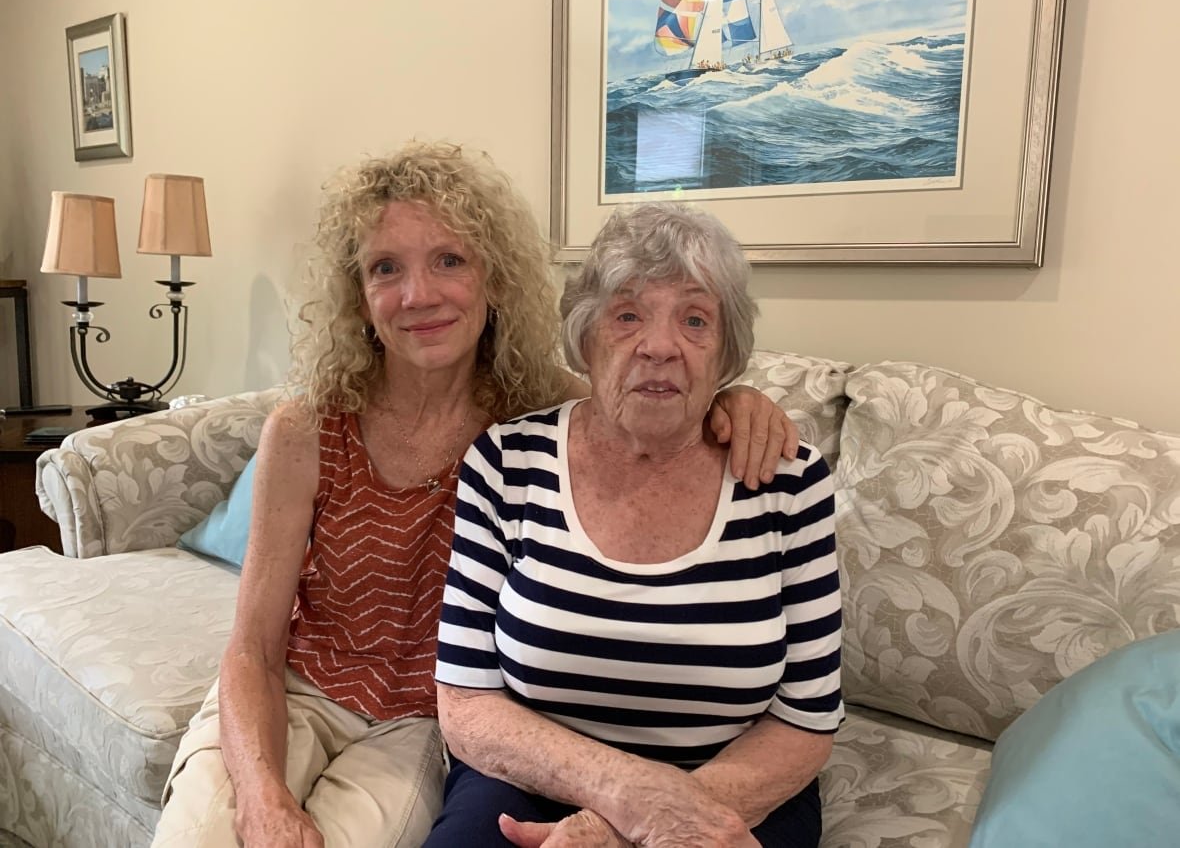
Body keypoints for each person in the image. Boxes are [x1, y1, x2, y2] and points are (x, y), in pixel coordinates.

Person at [151, 144, 800, 848]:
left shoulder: (540, 411)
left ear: (494, 277)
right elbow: (250, 648)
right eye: (385, 268)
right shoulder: (307, 428)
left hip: (424, 722)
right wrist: (262, 797)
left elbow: (650, 400)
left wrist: (738, 400)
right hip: (294, 692)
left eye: (449, 260)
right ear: (357, 298)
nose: (418, 294)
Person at [428, 202, 843, 848]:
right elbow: (465, 703)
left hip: (735, 783)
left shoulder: (788, 482)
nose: (659, 346)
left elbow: (807, 719)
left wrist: (636, 826)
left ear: (726, 351)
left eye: (695, 319)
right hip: (536, 776)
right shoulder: (506, 461)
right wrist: (626, 797)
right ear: (585, 339)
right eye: (627, 315)